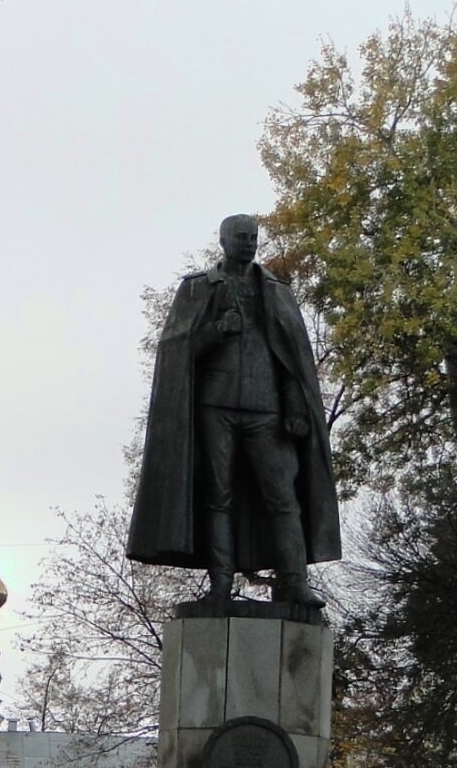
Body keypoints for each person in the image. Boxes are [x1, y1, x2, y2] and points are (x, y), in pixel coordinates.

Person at [126, 214, 341, 605]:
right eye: (241, 236)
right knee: (218, 497)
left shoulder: (276, 290)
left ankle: (294, 581)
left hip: (268, 409)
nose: (248, 242)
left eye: (254, 236)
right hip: (215, 405)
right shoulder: (197, 289)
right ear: (223, 240)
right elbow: (176, 352)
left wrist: (295, 403)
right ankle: (220, 586)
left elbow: (293, 357)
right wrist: (216, 330)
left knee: (283, 496)